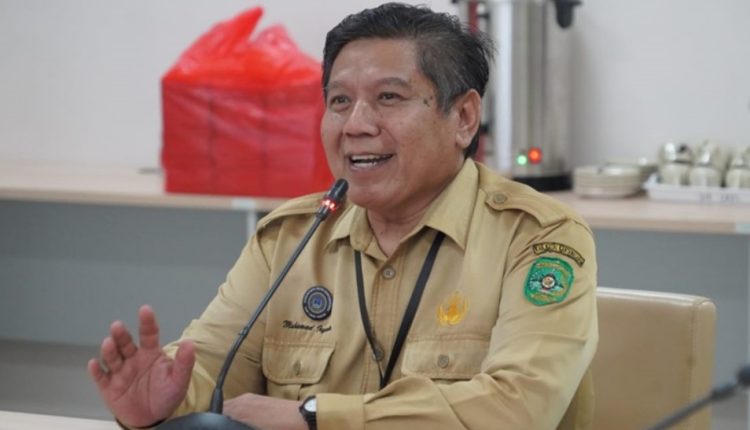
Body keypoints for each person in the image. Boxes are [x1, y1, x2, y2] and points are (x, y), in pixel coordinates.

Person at [88, 3, 598, 430]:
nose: (356, 125)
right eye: (339, 101)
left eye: (388, 98)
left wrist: (315, 417)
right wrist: (163, 403)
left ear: (463, 117)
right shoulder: (289, 239)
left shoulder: (536, 237)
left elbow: (516, 409)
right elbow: (212, 372)